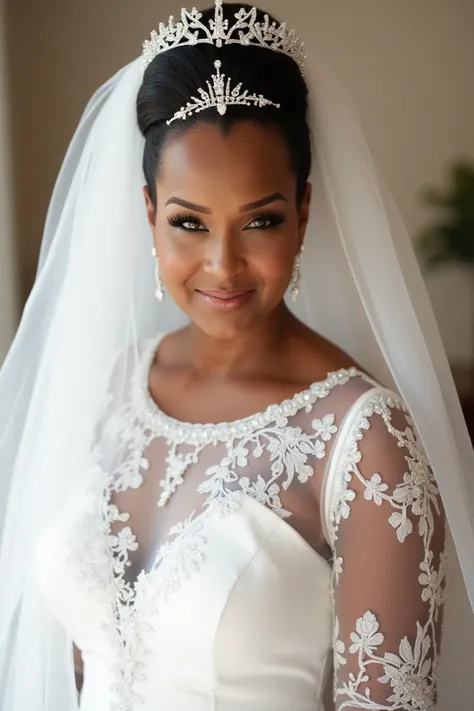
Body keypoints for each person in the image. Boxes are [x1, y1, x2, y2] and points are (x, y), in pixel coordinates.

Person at [0, 2, 473, 710]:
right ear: (148, 212)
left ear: (304, 212)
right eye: (188, 222)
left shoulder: (370, 442)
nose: (223, 265)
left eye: (261, 220)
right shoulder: (111, 381)